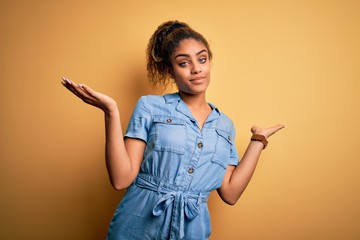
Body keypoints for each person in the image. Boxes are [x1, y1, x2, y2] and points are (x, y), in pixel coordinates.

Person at [62, 20, 284, 240]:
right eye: (184, 63)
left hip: (191, 231)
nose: (196, 68)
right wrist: (111, 111)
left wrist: (258, 141)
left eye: (202, 59)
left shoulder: (225, 125)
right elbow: (121, 179)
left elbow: (230, 193)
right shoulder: (150, 106)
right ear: (170, 70)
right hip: (137, 226)